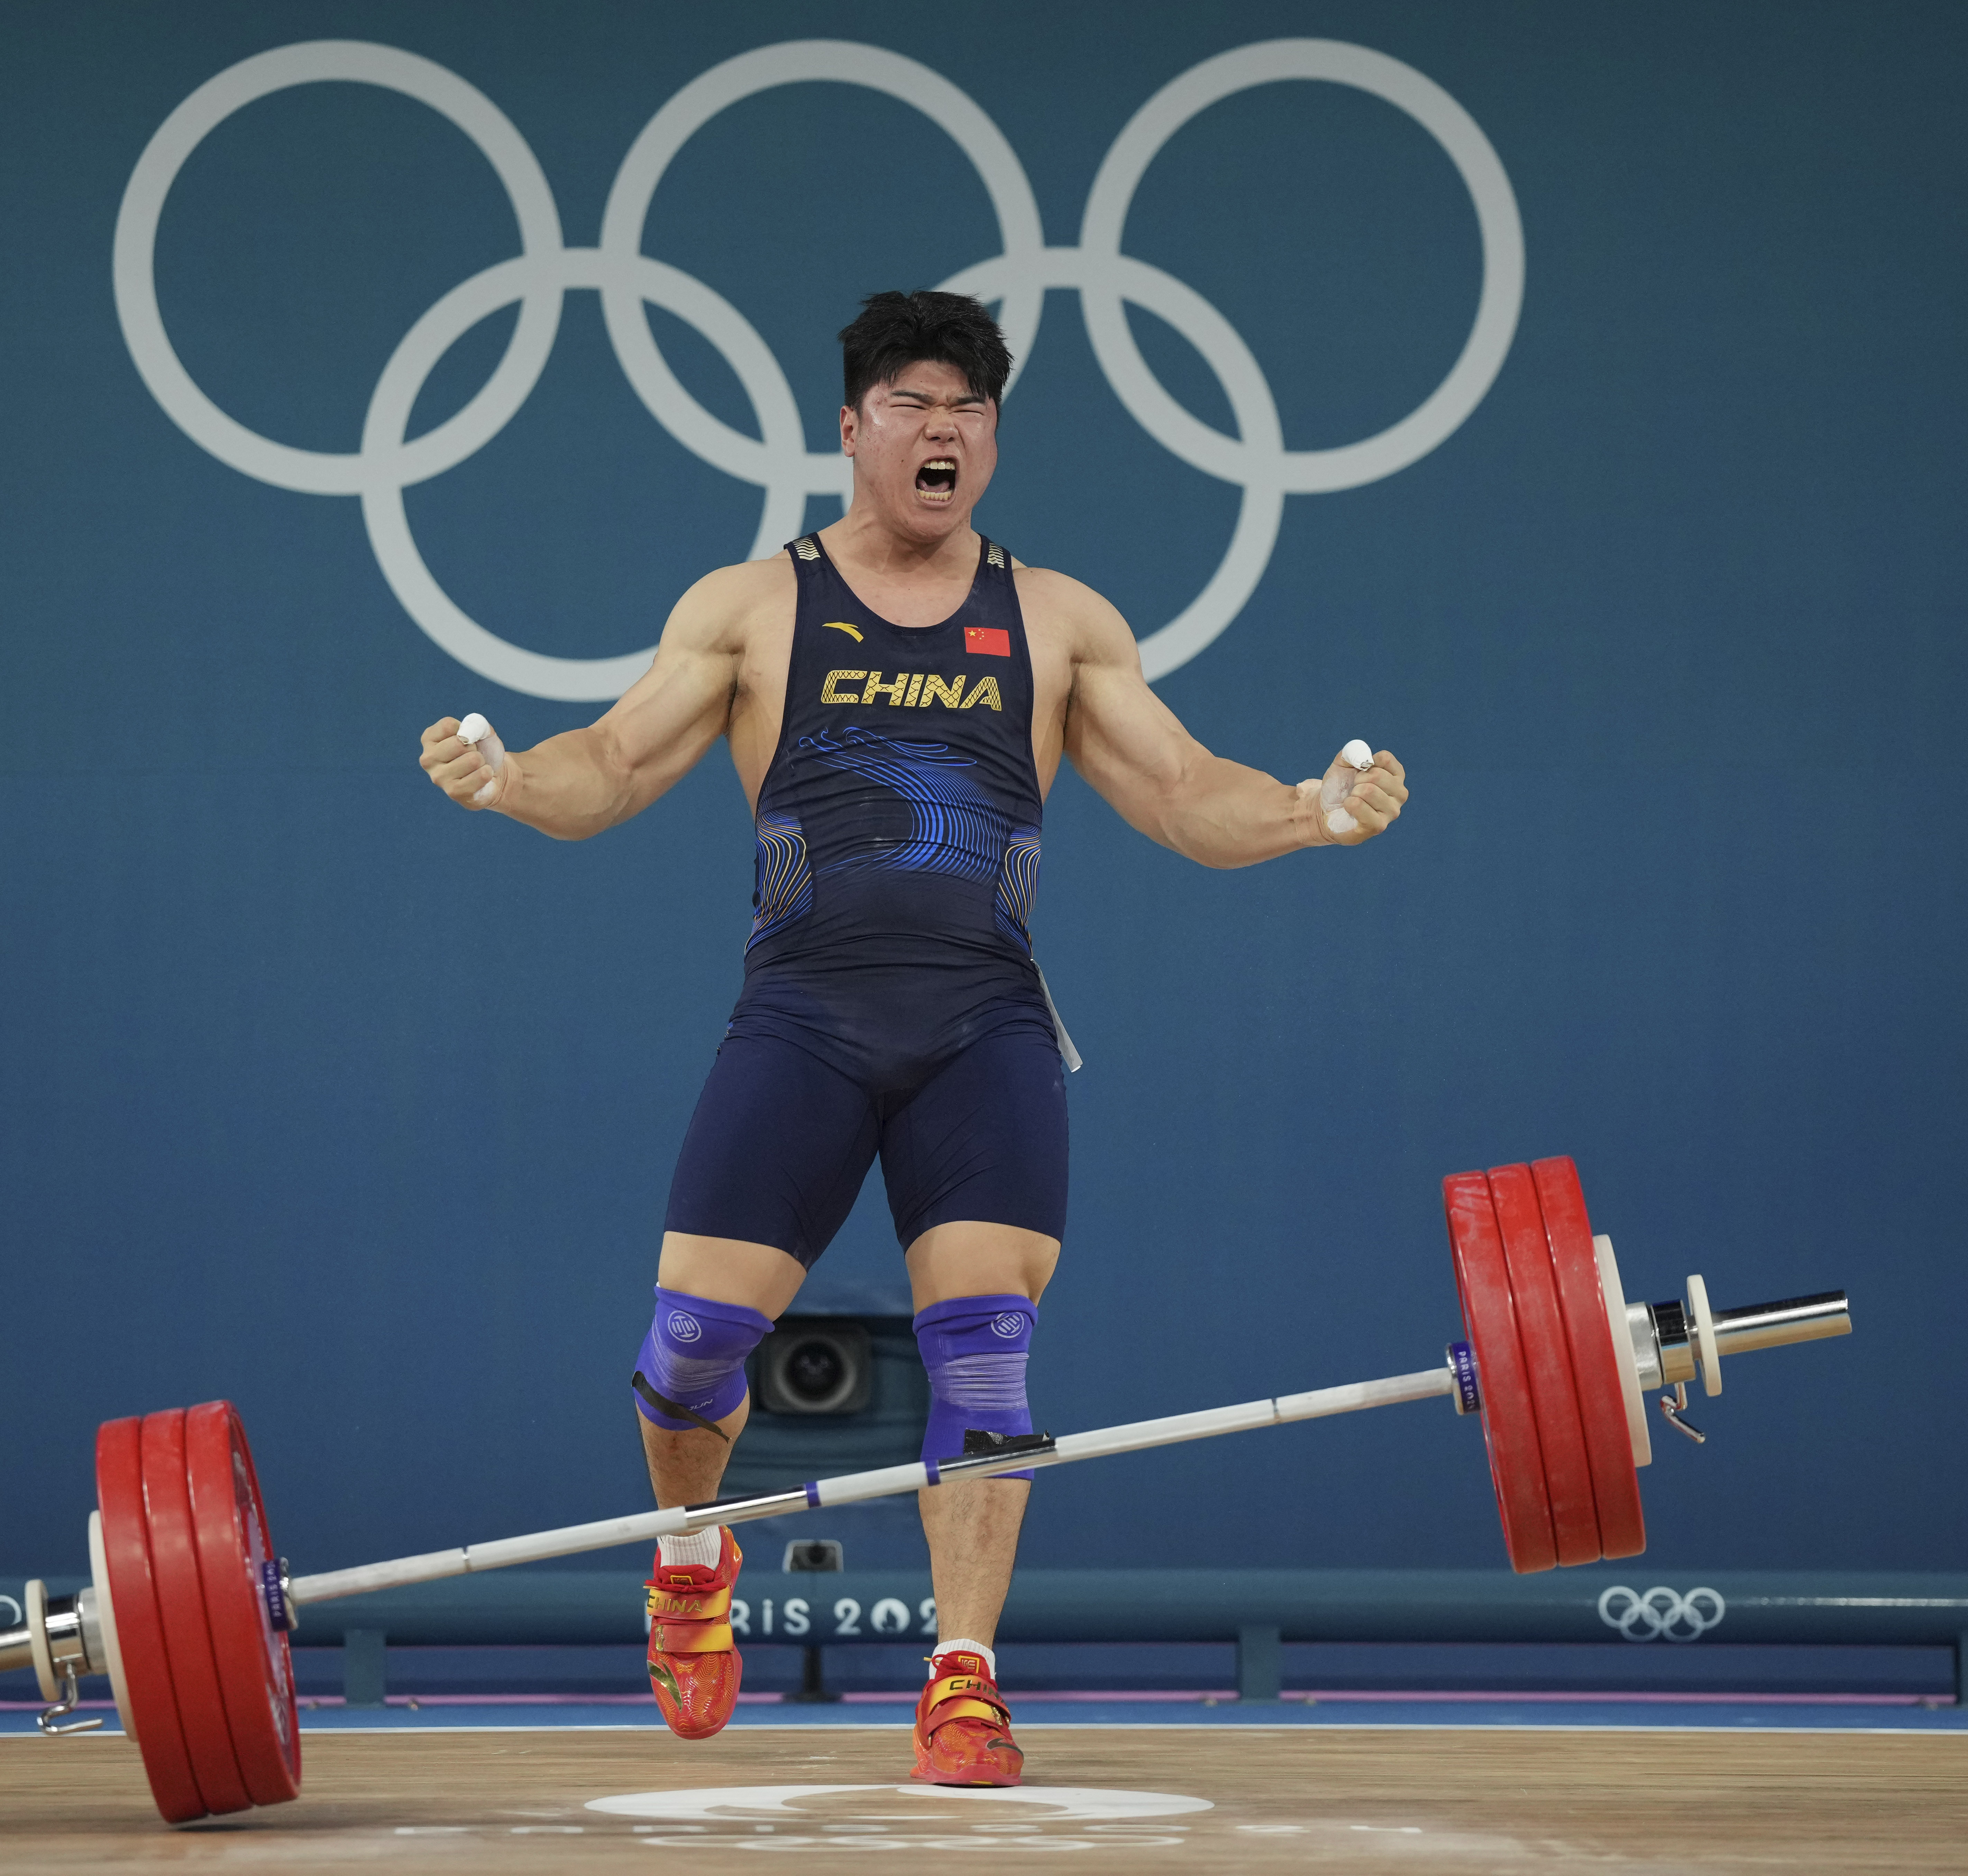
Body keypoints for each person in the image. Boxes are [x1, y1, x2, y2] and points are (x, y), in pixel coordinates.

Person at [418, 290, 1407, 1785]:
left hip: (982, 1031)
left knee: (988, 1363)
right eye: (914, 406)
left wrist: (1310, 814)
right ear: (853, 431)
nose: (944, 431)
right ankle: (692, 1560)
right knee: (690, 1353)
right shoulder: (751, 607)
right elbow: (611, 763)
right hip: (803, 1018)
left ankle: (963, 1678)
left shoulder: (1061, 621)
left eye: (971, 410)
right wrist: (506, 780)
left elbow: (1186, 787)